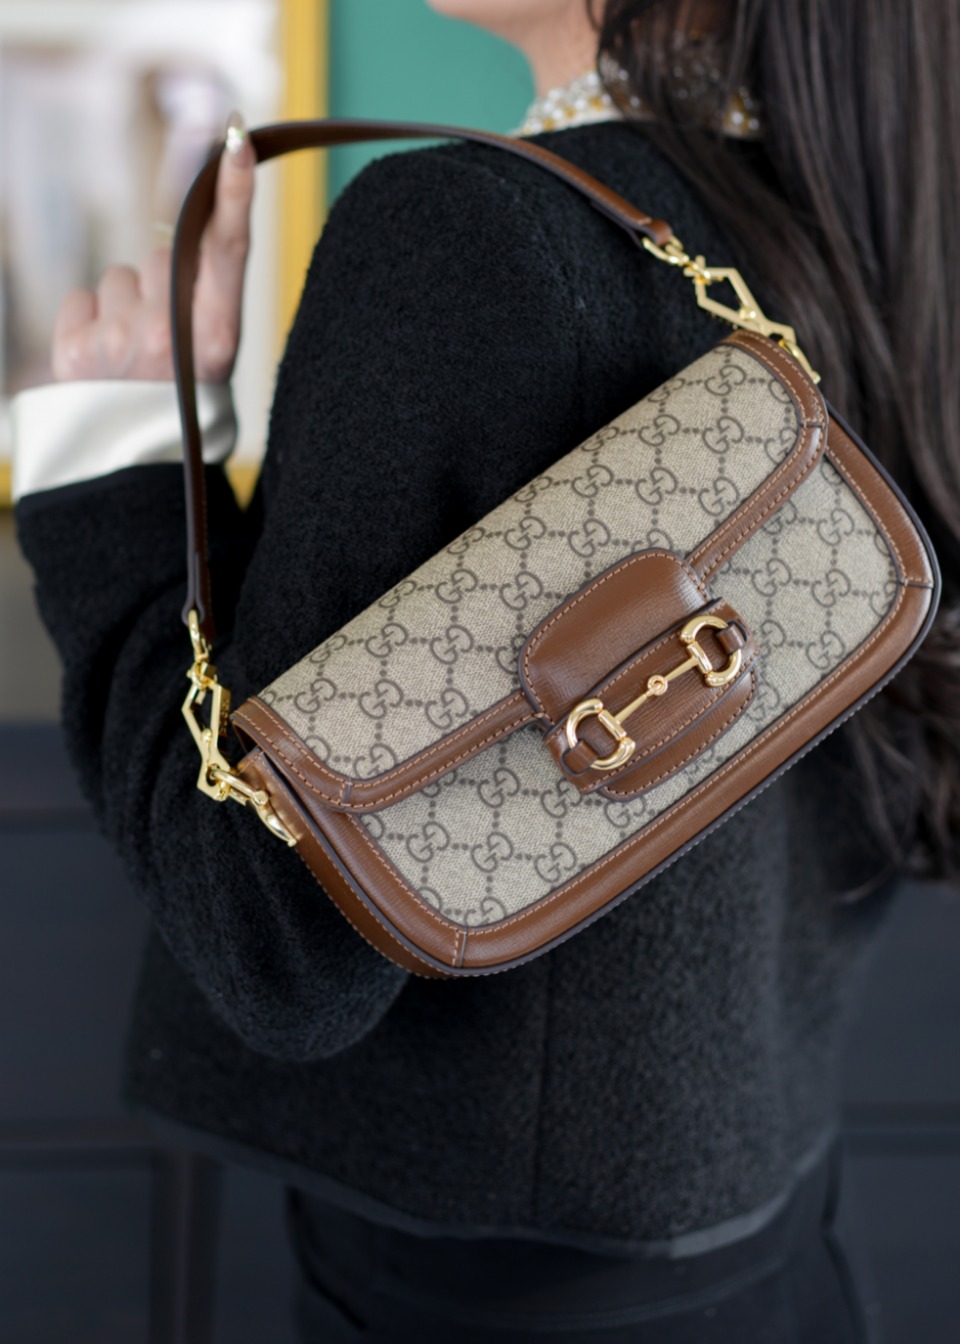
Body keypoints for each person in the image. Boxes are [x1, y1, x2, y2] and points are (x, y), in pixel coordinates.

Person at [12, 0, 959, 1339]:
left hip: (485, 1287)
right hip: (772, 1224)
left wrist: (116, 465)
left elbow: (275, 929)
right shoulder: (867, 221)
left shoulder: (468, 235)